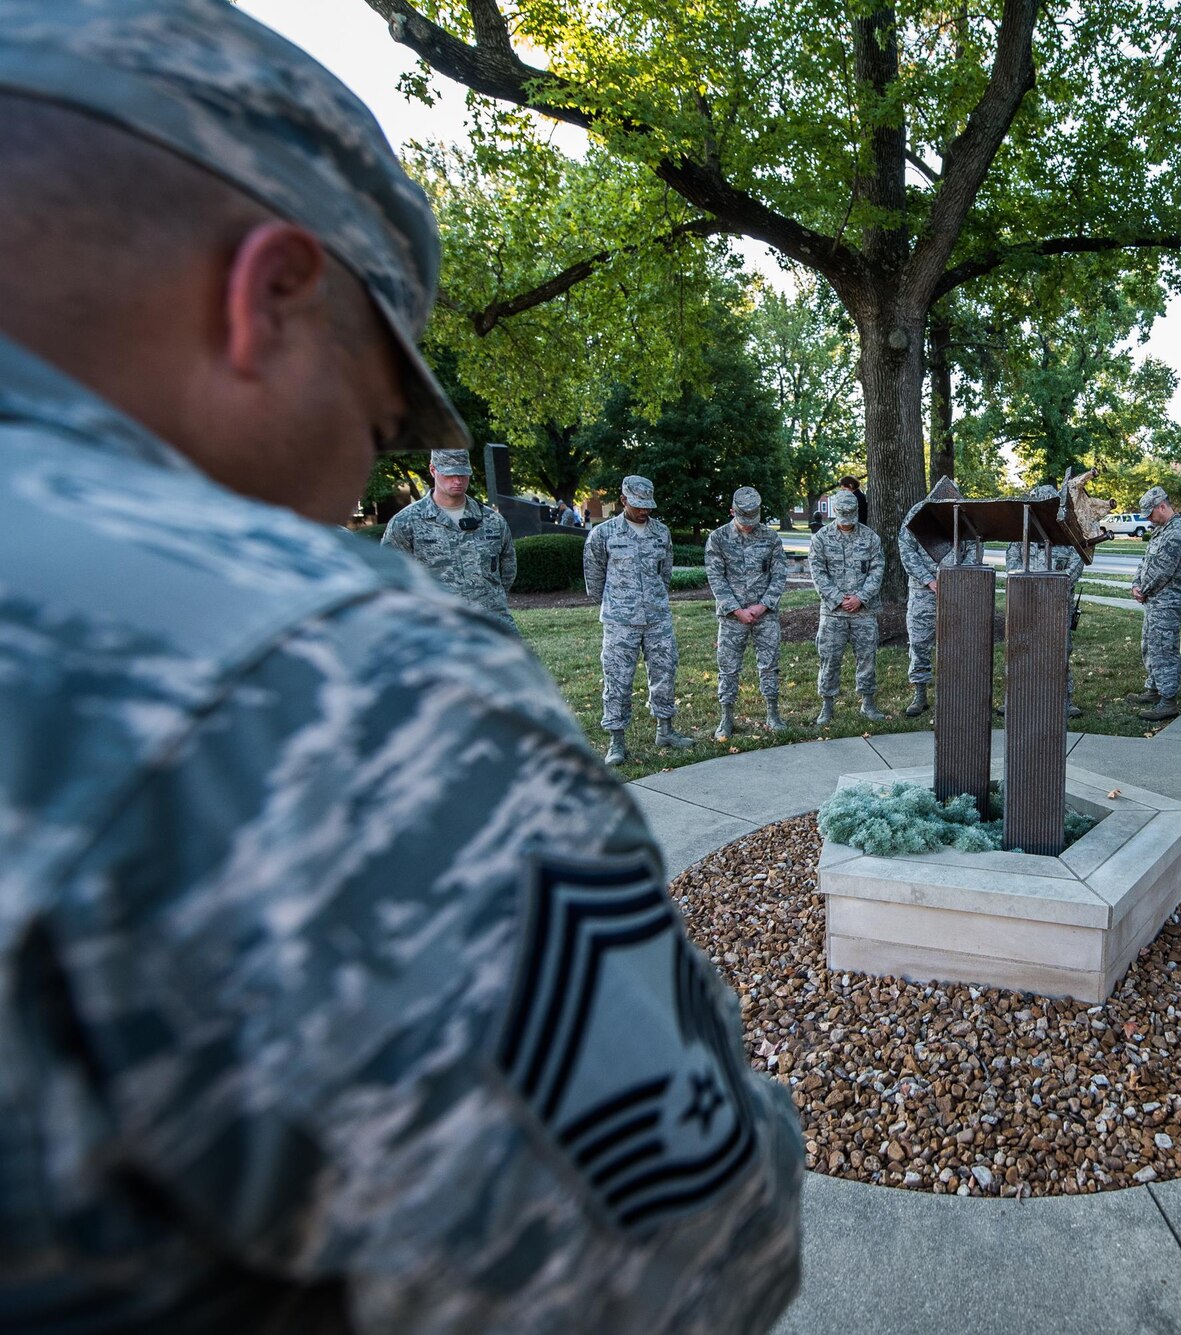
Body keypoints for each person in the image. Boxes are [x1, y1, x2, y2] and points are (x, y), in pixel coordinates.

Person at [0, 4, 802, 1330]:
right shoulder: (320, 684)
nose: (361, 474)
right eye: (377, 418)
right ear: (268, 296)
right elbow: (699, 1267)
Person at [585, 475, 693, 760]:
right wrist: (617, 605)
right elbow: (594, 580)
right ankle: (617, 741)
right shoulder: (603, 534)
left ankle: (666, 729)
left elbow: (665, 574)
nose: (644, 511)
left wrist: (653, 600)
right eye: (638, 505)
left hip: (658, 618)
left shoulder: (661, 533)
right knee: (618, 680)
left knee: (665, 673)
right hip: (620, 622)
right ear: (623, 501)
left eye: (648, 505)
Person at [381, 446, 518, 630]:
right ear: (433, 470)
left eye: (463, 474)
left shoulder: (492, 521)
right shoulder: (406, 522)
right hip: (437, 631)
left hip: (491, 626)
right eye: (449, 474)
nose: (457, 480)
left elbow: (507, 570)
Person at [704, 486, 788, 740]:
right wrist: (737, 609)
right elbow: (716, 578)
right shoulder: (717, 539)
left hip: (766, 615)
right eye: (744, 519)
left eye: (753, 519)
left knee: (770, 665)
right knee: (728, 669)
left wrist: (762, 605)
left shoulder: (771, 538)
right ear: (732, 512)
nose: (749, 525)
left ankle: (773, 714)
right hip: (731, 617)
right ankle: (726, 717)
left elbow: (779, 575)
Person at [897, 477, 986, 717]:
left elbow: (976, 549)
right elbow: (906, 549)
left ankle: (956, 693)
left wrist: (958, 579)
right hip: (923, 592)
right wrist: (929, 580)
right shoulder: (919, 513)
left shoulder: (963, 513)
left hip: (957, 593)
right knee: (919, 643)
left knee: (958, 645)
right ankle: (920, 694)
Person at [1004, 483, 1085, 719]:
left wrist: (1057, 587)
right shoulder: (1022, 534)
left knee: (1060, 652)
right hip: (1027, 603)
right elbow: (1012, 564)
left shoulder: (1067, 532)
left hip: (1058, 603)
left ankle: (1064, 701)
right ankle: (1019, 698)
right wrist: (1025, 587)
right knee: (1022, 650)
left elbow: (1076, 563)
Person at [807, 487, 886, 725]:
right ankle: (827, 706)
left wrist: (861, 597)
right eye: (842, 518)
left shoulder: (871, 538)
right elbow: (818, 572)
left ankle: (868, 703)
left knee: (867, 657)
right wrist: (839, 599)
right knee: (829, 658)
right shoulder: (821, 538)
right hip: (833, 612)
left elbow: (877, 570)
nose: (846, 523)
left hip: (864, 610)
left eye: (850, 518)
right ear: (835, 513)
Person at [1124, 485, 1181, 722]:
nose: (1149, 520)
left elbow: (1164, 571)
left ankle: (1168, 700)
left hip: (1167, 600)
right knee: (1151, 645)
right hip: (1154, 599)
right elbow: (1145, 561)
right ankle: (1153, 689)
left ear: (1162, 506)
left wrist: (1143, 589)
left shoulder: (1176, 532)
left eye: (1150, 514)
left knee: (1164, 649)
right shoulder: (1161, 530)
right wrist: (1136, 583)